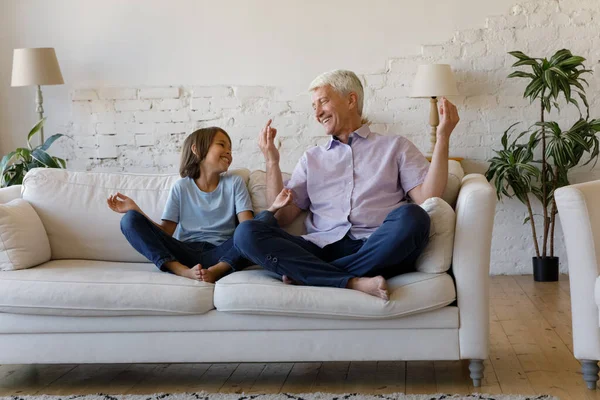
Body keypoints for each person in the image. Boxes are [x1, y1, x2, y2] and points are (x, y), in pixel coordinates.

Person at [232, 69, 459, 299]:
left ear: (351, 100)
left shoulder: (395, 146)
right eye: (314, 107)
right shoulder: (312, 158)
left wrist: (443, 137)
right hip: (320, 249)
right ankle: (352, 282)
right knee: (246, 232)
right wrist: (272, 161)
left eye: (323, 102)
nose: (317, 113)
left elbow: (428, 198)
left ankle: (315, 276)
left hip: (375, 247)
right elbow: (281, 218)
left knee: (414, 217)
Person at [107, 127, 292, 283]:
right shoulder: (181, 187)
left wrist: (273, 208)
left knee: (266, 221)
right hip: (185, 252)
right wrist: (136, 211)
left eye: (231, 148)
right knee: (129, 220)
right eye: (222, 145)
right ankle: (180, 270)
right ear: (197, 149)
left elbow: (248, 228)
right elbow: (165, 233)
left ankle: (218, 270)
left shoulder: (235, 183)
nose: (229, 152)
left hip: (223, 253)